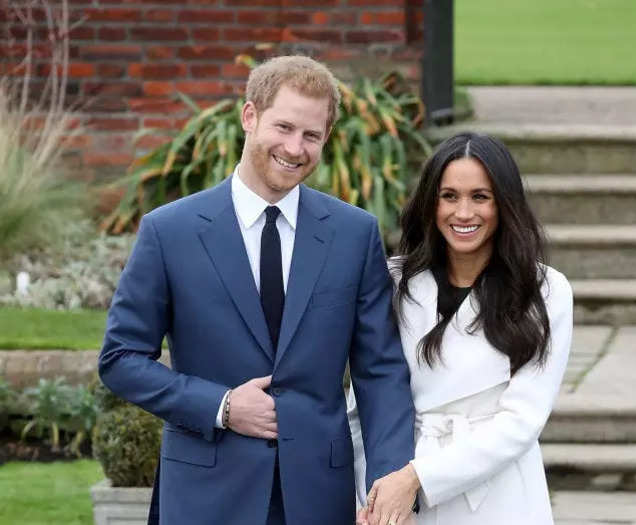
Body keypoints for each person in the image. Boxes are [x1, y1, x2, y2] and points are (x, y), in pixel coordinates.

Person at [99, 55, 416, 525]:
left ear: (326, 137)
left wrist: (390, 487)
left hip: (317, 497)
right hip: (205, 495)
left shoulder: (355, 234)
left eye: (311, 135)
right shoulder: (170, 231)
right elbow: (120, 359)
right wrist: (221, 407)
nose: (295, 147)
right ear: (250, 117)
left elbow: (381, 372)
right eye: (283, 127)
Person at [349, 132, 573, 525]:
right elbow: (365, 402)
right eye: (449, 196)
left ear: (504, 204)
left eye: (480, 197)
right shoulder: (393, 281)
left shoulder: (544, 290)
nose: (463, 213)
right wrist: (367, 496)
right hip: (395, 497)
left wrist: (417, 477)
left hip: (497, 497)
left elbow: (521, 420)